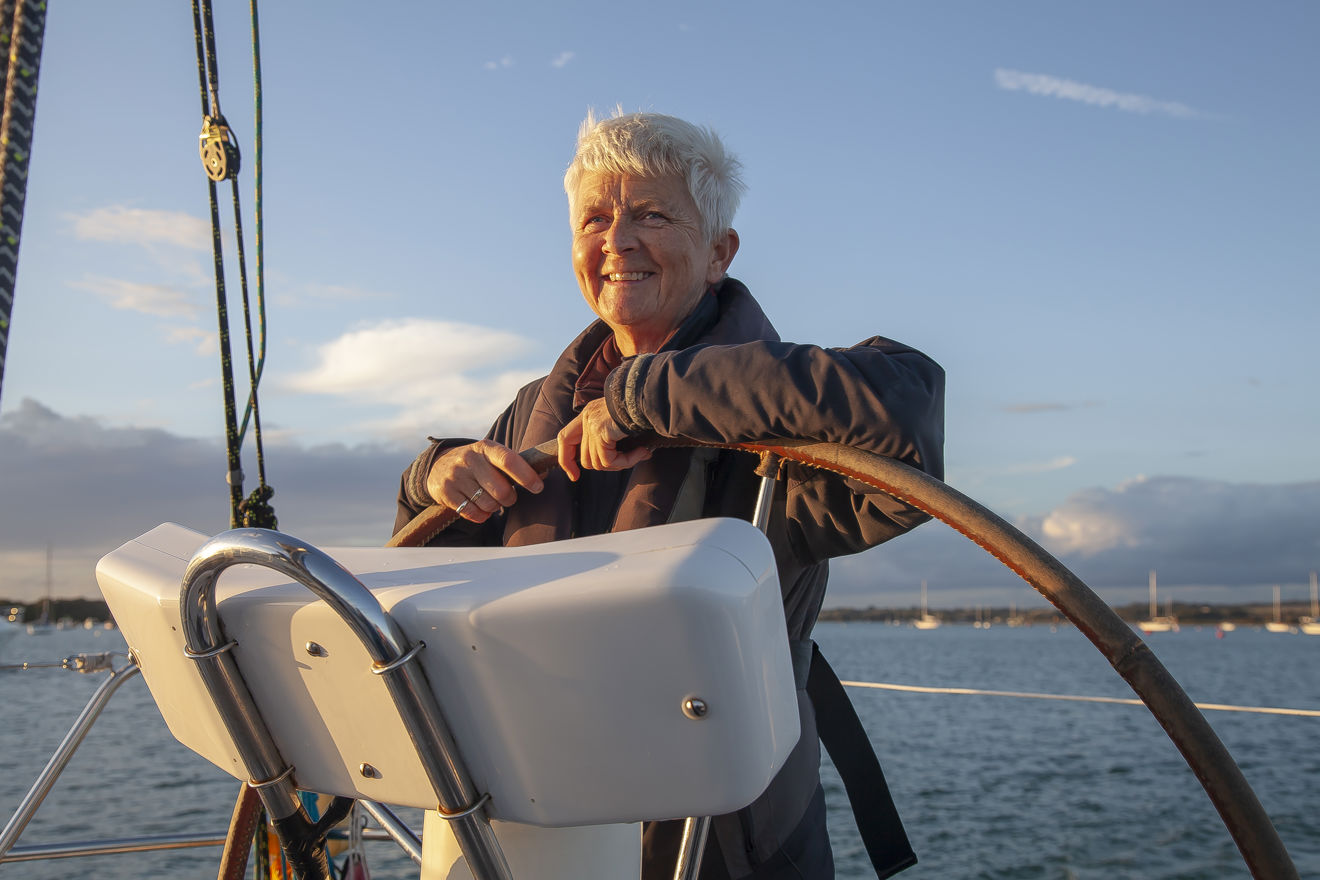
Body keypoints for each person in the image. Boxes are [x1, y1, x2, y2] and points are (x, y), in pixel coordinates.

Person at [395, 111, 944, 880]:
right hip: (536, 825)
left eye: (651, 215)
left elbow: (908, 413)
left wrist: (648, 397)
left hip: (723, 851)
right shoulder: (530, 413)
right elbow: (422, 588)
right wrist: (433, 475)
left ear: (719, 252)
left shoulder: (786, 414)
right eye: (595, 219)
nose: (617, 241)